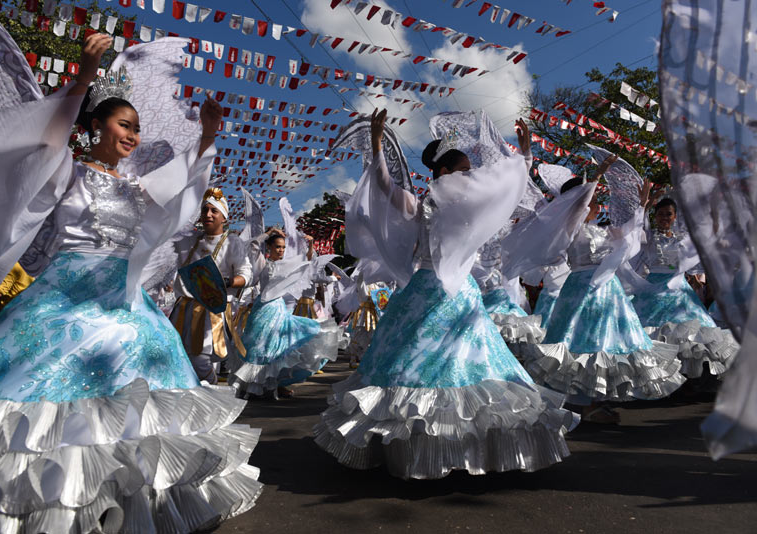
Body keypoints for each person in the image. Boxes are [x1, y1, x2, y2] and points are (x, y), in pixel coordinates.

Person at [0, 11, 261, 530]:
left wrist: (206, 138)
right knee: (47, 399)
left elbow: (176, 182)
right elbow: (50, 139)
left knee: (141, 395)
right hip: (66, 295)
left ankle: (131, 503)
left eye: (138, 129)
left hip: (124, 301)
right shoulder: (65, 172)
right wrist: (81, 78)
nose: (134, 136)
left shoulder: (135, 189)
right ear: (97, 125)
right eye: (125, 125)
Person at [315, 109, 576, 479]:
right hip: (422, 294)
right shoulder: (419, 205)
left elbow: (505, 188)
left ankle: (467, 448)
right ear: (442, 173)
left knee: (469, 369)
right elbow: (383, 184)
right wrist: (375, 145)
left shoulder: (472, 209)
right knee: (411, 370)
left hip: (461, 299)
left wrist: (525, 155)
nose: (471, 176)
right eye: (463, 170)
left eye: (471, 171)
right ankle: (418, 450)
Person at [517, 158, 685, 424]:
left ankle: (594, 401)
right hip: (580, 293)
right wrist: (595, 176)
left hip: (608, 294)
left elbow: (632, 236)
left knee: (603, 348)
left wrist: (642, 206)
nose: (597, 204)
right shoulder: (569, 227)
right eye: (593, 199)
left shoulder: (601, 230)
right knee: (579, 347)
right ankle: (581, 406)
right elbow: (580, 206)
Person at [629, 197, 739, 378]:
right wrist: (645, 205)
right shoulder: (649, 237)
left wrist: (694, 278)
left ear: (675, 217)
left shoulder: (682, 240)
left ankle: (685, 376)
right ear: (655, 217)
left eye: (668, 214)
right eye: (661, 214)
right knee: (654, 332)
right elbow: (635, 229)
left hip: (679, 290)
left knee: (686, 333)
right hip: (653, 290)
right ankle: (657, 374)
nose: (664, 217)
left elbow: (695, 255)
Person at [227, 228, 338, 398]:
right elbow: (252, 246)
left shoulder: (286, 265)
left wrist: (310, 244)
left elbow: (306, 262)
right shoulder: (262, 263)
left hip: (278, 310)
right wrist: (268, 233)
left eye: (283, 247)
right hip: (262, 311)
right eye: (278, 247)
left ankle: (275, 385)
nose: (281, 250)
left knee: (278, 348)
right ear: (269, 247)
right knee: (259, 348)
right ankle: (253, 387)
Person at [170, 187, 252, 384]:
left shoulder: (232, 242)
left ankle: (212, 392)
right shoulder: (189, 241)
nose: (208, 214)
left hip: (210, 311)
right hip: (184, 309)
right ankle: (195, 396)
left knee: (200, 358)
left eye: (214, 211)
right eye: (205, 210)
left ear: (224, 217)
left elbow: (246, 274)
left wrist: (227, 282)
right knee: (177, 356)